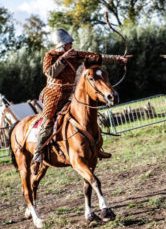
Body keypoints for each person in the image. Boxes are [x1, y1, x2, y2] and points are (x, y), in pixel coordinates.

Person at [31, 28, 128, 175]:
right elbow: (50, 72)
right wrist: (63, 58)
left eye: (70, 43)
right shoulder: (50, 55)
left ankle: (96, 148)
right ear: (61, 45)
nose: (71, 46)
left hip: (71, 92)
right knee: (49, 120)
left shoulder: (75, 55)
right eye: (68, 44)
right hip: (53, 94)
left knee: (89, 115)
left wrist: (117, 59)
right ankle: (37, 155)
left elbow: (96, 57)